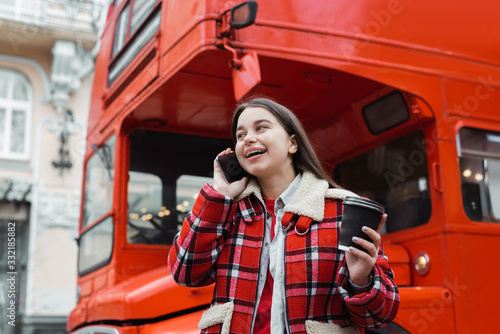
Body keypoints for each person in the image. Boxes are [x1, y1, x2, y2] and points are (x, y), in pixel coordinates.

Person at [168, 97, 400, 334]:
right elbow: (184, 273)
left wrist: (360, 281)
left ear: (293, 144)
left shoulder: (345, 210)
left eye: (261, 127)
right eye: (240, 135)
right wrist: (220, 196)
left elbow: (377, 319)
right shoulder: (226, 209)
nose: (247, 138)